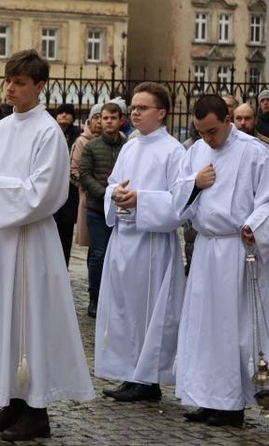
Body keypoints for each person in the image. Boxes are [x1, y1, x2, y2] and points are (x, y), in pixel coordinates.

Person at [0, 50, 94, 442]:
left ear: (40, 87)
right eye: (8, 81)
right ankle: (12, 400)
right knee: (3, 318)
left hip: (30, 239)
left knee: (30, 320)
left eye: (20, 82)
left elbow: (46, 192)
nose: (11, 88)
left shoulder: (47, 132)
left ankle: (36, 410)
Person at [174, 94, 269, 427]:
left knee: (231, 327)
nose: (207, 139)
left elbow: (267, 200)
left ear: (228, 119)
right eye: (200, 132)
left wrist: (253, 226)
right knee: (204, 327)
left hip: (236, 249)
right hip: (205, 248)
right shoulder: (196, 151)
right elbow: (177, 193)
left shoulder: (255, 153)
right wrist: (195, 184)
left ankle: (231, 404)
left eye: (212, 131)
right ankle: (206, 396)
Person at [93, 84, 186, 402]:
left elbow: (180, 203)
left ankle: (149, 380)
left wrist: (141, 201)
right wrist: (115, 195)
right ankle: (130, 372)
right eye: (133, 107)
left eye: (142, 108)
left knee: (148, 310)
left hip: (151, 243)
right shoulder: (131, 146)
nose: (134, 112)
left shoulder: (174, 151)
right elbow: (110, 185)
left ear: (161, 113)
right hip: (124, 239)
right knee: (124, 309)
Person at [78, 103, 127, 318]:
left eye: (113, 118)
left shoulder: (127, 146)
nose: (108, 122)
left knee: (120, 254)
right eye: (105, 118)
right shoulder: (91, 146)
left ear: (120, 120)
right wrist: (106, 193)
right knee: (99, 253)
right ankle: (95, 296)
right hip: (97, 209)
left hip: (121, 211)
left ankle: (116, 296)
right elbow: (85, 175)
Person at [70, 103, 103, 247]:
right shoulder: (82, 141)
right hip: (88, 196)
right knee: (94, 245)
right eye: (96, 117)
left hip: (108, 197)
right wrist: (90, 186)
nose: (100, 121)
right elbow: (73, 171)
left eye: (103, 117)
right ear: (89, 121)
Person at [53, 103, 81, 266]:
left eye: (68, 113)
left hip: (70, 195)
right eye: (61, 112)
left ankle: (64, 266)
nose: (64, 115)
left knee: (65, 236)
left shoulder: (78, 136)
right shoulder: (51, 132)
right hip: (53, 191)